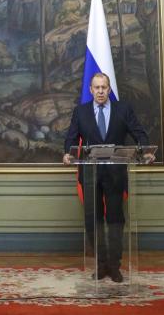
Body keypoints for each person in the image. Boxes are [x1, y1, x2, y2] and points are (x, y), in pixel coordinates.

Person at [62, 72, 152, 283]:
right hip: (90, 173)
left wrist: (146, 150)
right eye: (97, 88)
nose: (101, 91)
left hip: (115, 174)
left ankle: (114, 266)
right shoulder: (81, 112)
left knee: (115, 220)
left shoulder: (123, 109)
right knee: (93, 220)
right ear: (91, 90)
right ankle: (101, 265)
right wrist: (68, 153)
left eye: (104, 87)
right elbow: (71, 137)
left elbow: (139, 132)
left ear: (109, 90)